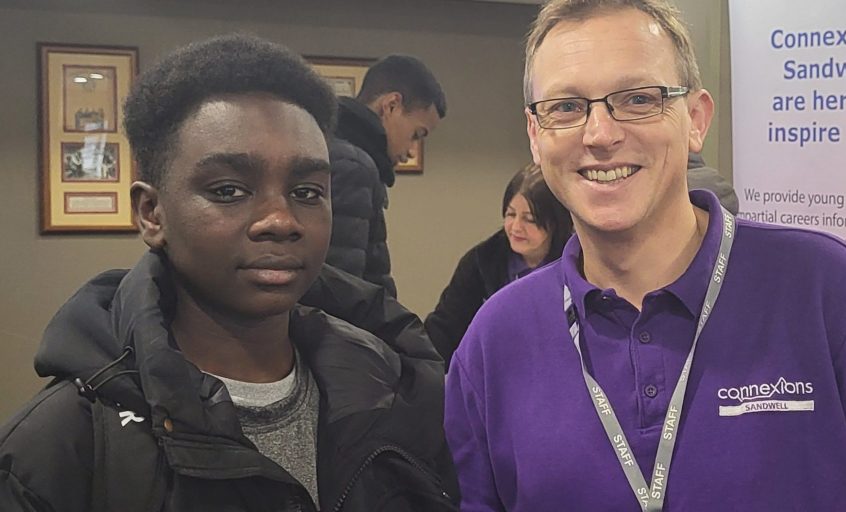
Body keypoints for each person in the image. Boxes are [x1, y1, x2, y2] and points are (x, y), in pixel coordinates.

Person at [444, 1, 846, 511]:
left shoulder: (829, 290)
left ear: (695, 119)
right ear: (536, 136)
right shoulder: (496, 340)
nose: (600, 134)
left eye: (639, 99)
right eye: (566, 107)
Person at [0, 34, 456, 512]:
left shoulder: (393, 390)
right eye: (228, 190)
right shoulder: (57, 453)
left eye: (306, 193)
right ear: (152, 214)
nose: (280, 221)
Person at [425, 163, 572, 367]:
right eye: (511, 215)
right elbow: (445, 330)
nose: (516, 227)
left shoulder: (580, 263)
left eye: (530, 219)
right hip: (496, 370)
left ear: (557, 223)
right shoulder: (481, 262)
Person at [328, 54, 447, 297]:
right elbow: (342, 290)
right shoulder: (353, 167)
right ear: (391, 105)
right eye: (416, 135)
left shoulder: (329, 146)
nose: (410, 151)